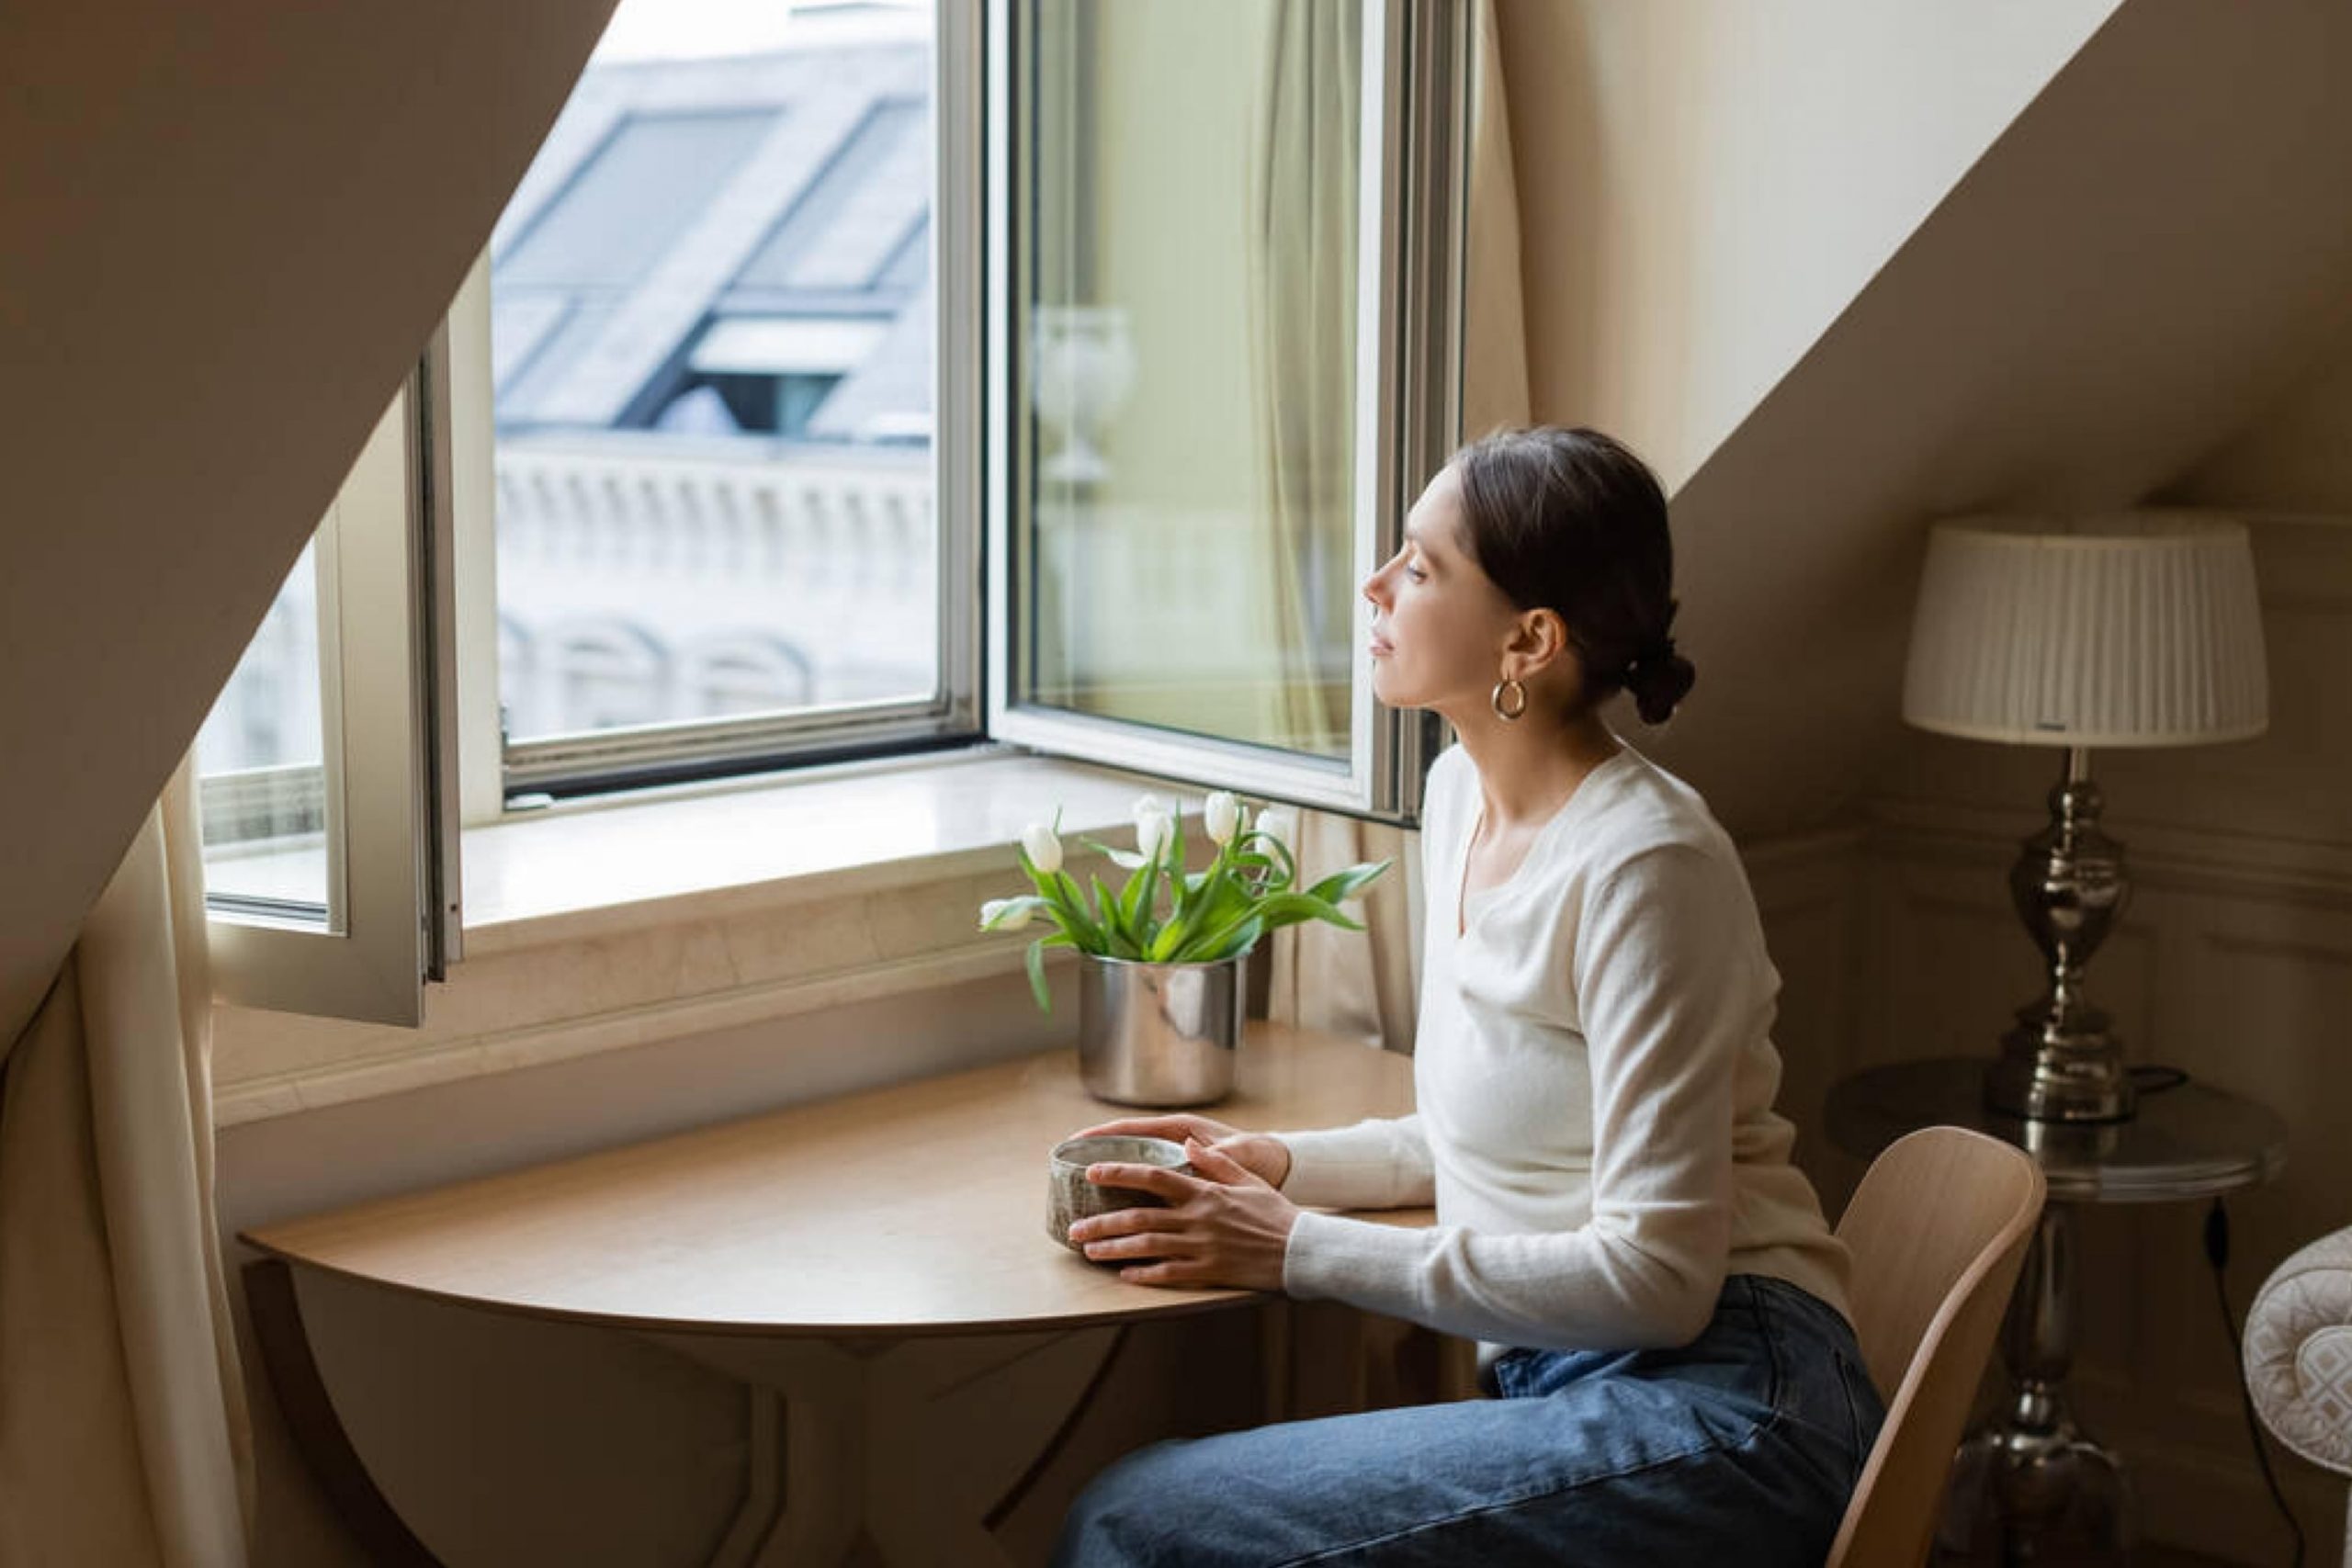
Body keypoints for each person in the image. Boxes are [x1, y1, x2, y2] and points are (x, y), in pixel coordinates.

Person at [1050, 426, 1883, 1567]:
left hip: (1729, 1406)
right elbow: (1488, 1145)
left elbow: (1659, 1281)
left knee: (1132, 1522)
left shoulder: (1647, 866)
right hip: (1577, 1383)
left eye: (1420, 565)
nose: (1374, 584)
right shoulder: (1459, 795)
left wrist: (1294, 1248)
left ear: (1528, 640)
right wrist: (1283, 1168)